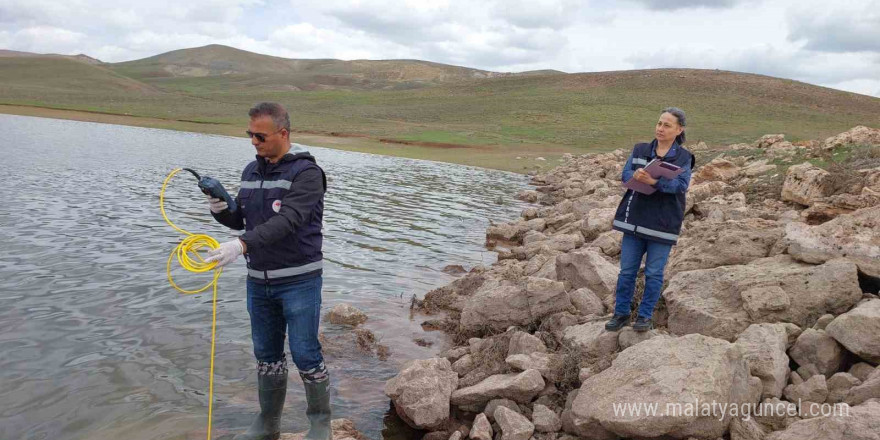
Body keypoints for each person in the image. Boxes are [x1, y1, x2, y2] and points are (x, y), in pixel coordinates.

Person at [205, 102, 330, 440]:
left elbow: (288, 221)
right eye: (250, 135)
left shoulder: (307, 174)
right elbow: (242, 219)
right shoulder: (251, 171)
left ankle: (320, 423)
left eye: (259, 136)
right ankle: (268, 423)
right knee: (266, 354)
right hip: (258, 283)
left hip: (300, 280)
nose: (253, 142)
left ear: (283, 134)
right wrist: (220, 207)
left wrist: (240, 245)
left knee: (305, 352)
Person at [605, 107, 695, 333]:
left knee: (654, 273)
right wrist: (634, 176)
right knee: (627, 271)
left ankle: (644, 316)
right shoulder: (640, 149)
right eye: (659, 123)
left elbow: (681, 185)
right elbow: (625, 175)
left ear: (679, 129)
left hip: (663, 224)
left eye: (666, 125)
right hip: (634, 218)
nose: (660, 128)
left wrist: (654, 182)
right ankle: (621, 314)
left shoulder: (684, 157)